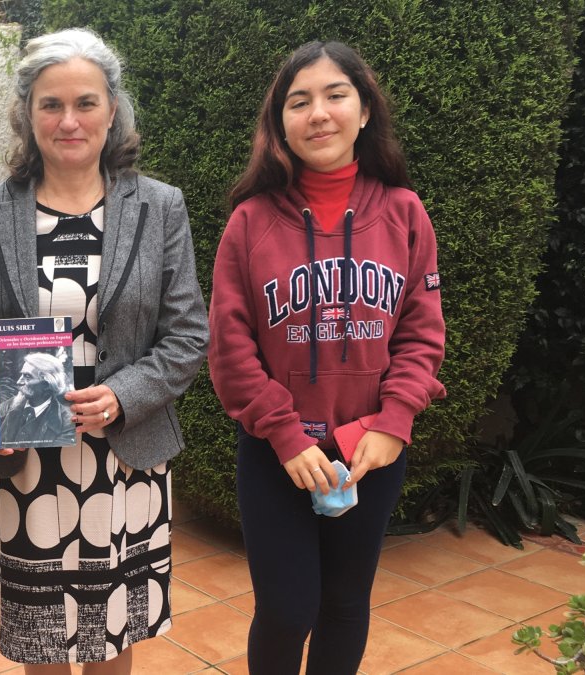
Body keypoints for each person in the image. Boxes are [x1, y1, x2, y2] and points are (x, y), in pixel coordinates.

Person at [0, 28, 209, 674]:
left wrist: (123, 394)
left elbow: (188, 334)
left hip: (128, 459)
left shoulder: (159, 207)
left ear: (112, 111)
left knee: (113, 635)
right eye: (51, 104)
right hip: (29, 467)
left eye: (85, 103)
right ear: (27, 114)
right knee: (44, 640)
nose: (69, 121)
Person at [208, 41, 447, 674]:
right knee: (287, 611)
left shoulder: (404, 213)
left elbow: (421, 333)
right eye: (299, 101)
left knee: (345, 605)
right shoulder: (250, 222)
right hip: (278, 453)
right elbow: (230, 348)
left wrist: (395, 422)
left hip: (370, 450)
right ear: (279, 123)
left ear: (364, 111)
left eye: (336, 95)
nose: (318, 113)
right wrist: (285, 436)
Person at [0, 352, 75, 447]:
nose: (18, 382)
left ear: (47, 384)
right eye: (21, 375)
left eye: (27, 377)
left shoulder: (66, 424)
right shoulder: (10, 405)